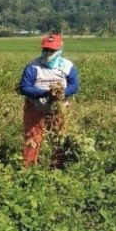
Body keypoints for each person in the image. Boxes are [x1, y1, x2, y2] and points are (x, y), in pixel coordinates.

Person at [17, 33, 80, 168]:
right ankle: (27, 168)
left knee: (59, 136)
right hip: (36, 106)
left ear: (60, 50)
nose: (48, 53)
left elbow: (74, 85)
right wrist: (45, 93)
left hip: (59, 107)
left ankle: (57, 167)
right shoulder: (33, 67)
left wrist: (62, 94)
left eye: (52, 50)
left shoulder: (67, 66)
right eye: (46, 50)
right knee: (32, 137)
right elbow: (24, 87)